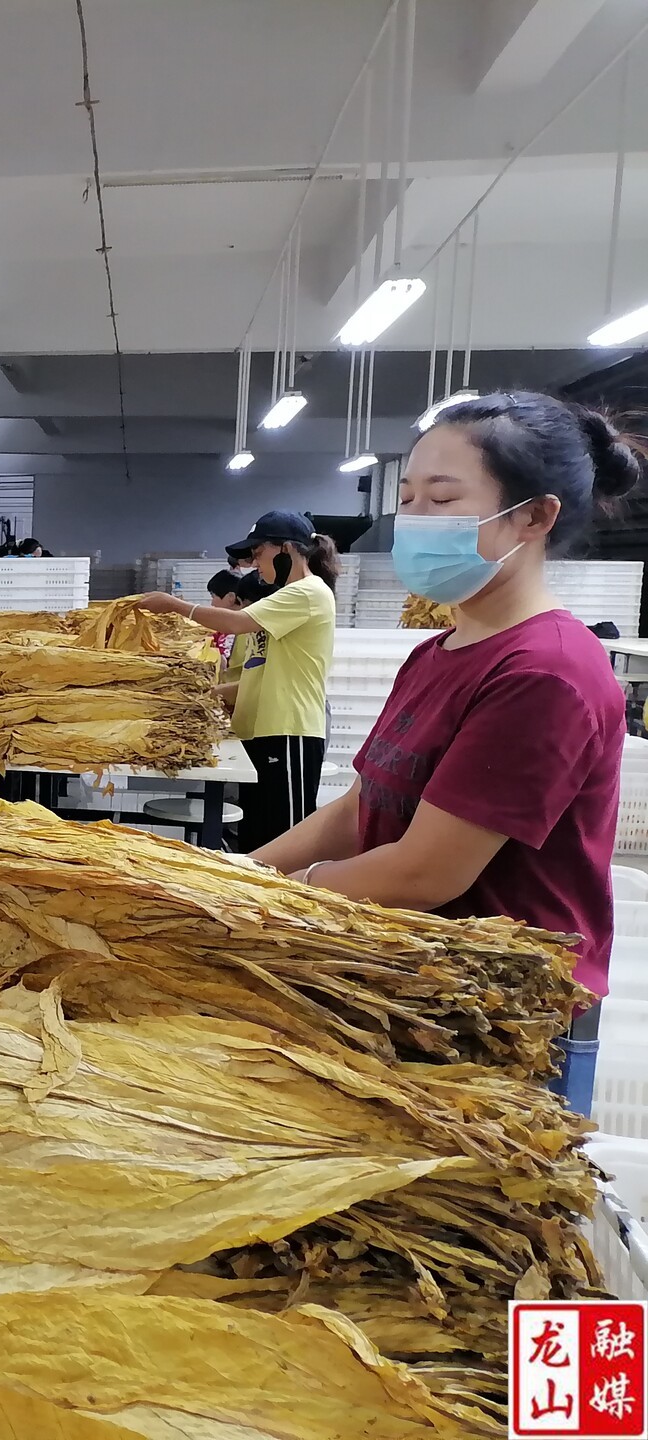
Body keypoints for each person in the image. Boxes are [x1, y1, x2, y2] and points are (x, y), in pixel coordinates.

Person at [257, 394, 638, 1111]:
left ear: (534, 516)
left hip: (493, 1027)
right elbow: (361, 809)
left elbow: (426, 871)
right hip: (411, 991)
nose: (415, 518)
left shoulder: (545, 671)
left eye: (442, 498)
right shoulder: (438, 653)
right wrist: (240, 872)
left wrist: (271, 899)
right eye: (407, 498)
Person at [136, 510, 337, 850]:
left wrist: (174, 605)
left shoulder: (307, 593)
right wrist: (207, 694)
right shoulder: (285, 597)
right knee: (258, 841)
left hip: (289, 731)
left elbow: (235, 622)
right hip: (264, 731)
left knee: (282, 842)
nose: (255, 564)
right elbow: (262, 676)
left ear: (286, 549)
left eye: (259, 553)